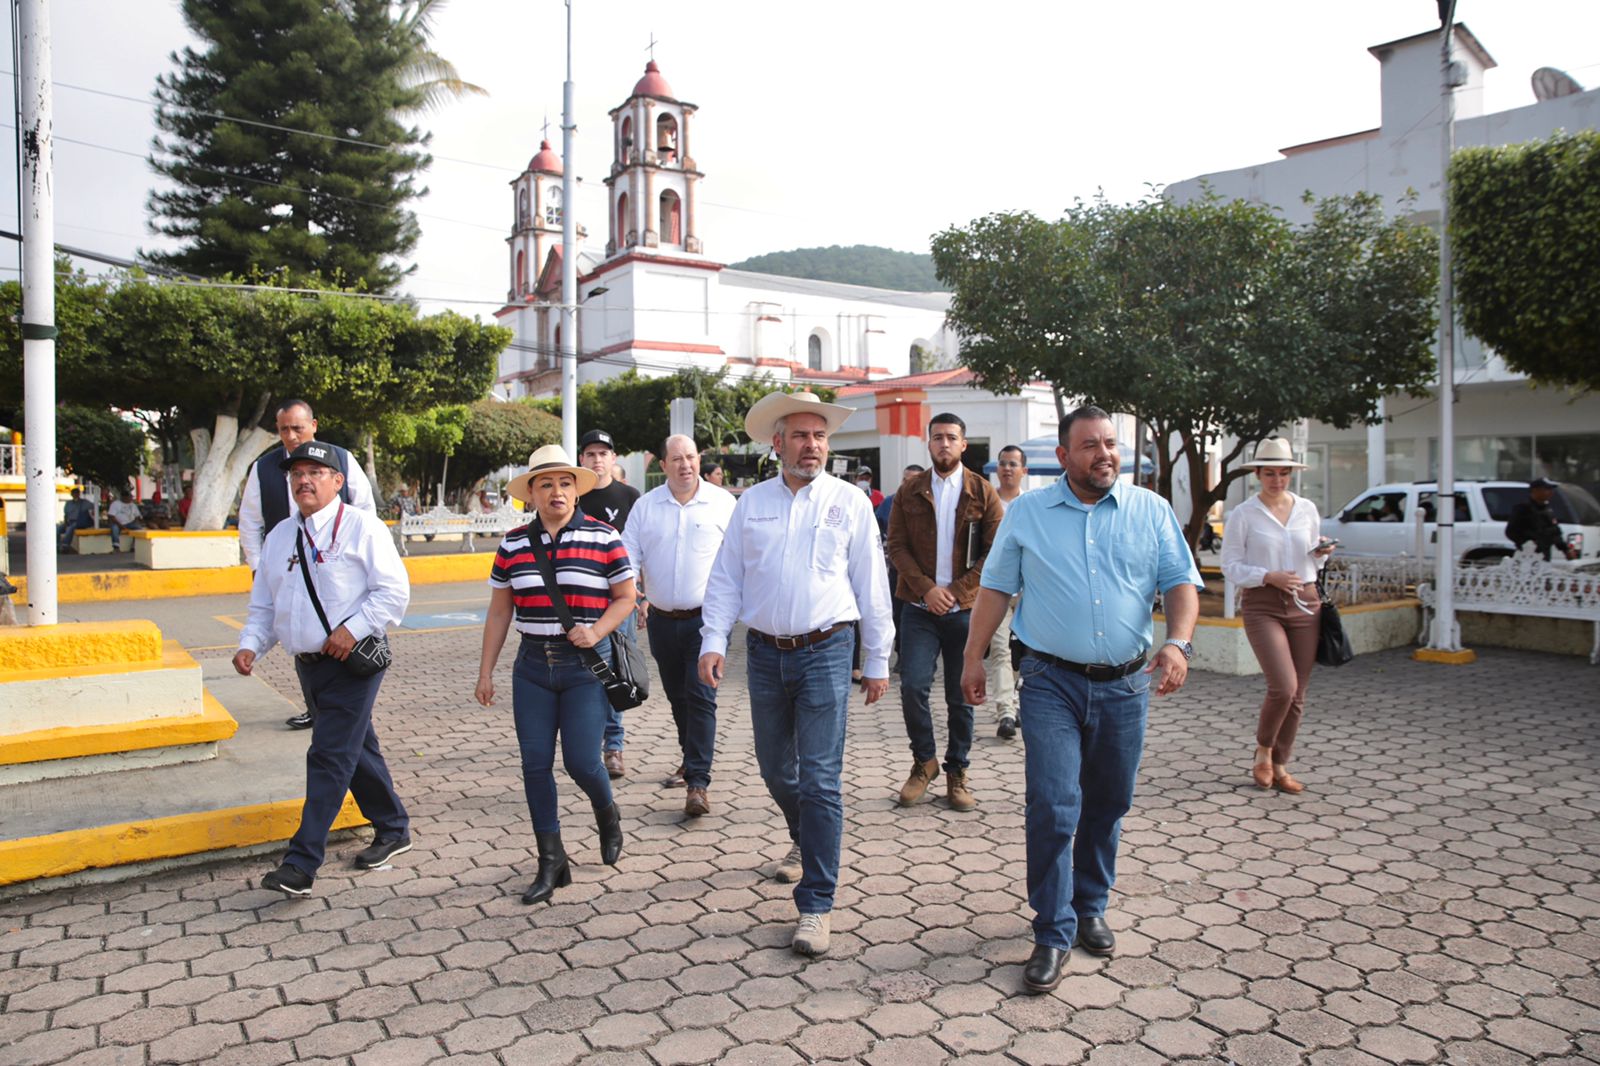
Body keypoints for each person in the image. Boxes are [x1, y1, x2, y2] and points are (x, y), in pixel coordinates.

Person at [960, 405, 1202, 995]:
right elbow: (995, 589)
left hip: (1125, 684)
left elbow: (1180, 583)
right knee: (1052, 803)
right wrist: (973, 657)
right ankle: (1052, 929)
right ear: (1064, 456)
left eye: (1110, 443)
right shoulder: (1030, 514)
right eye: (1090, 445)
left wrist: (1178, 644)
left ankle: (1091, 903)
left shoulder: (1151, 510)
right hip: (1049, 681)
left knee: (1109, 802)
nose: (1105, 454)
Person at [699, 390, 893, 958]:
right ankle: (805, 836)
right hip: (763, 654)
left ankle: (816, 905)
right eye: (802, 436)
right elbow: (727, 579)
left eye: (820, 436)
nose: (813, 446)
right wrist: (713, 640)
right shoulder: (751, 504)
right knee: (775, 769)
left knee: (820, 780)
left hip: (828, 650)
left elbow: (871, 583)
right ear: (777, 443)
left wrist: (877, 657)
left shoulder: (850, 502)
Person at [233, 441, 412, 898]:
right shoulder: (278, 538)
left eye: (316, 472)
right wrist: (250, 646)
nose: (304, 480)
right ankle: (393, 828)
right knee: (356, 749)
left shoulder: (361, 528)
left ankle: (301, 863)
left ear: (337, 481)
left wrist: (352, 628)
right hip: (308, 667)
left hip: (354, 664)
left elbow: (393, 593)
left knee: (330, 755)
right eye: (297, 474)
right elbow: (265, 606)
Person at [476, 445, 638, 905]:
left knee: (583, 762)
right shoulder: (511, 544)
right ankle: (551, 860)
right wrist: (485, 672)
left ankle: (607, 814)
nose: (557, 492)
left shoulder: (605, 537)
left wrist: (597, 630)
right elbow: (499, 612)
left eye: (565, 483)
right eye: (545, 484)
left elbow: (626, 597)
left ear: (576, 489)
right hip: (531, 668)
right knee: (534, 766)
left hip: (584, 668)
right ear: (531, 494)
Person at [886, 414, 1004, 812]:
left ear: (963, 444)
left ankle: (958, 772)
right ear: (929, 443)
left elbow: (996, 552)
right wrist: (927, 590)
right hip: (919, 608)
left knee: (961, 695)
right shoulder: (910, 491)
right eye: (937, 438)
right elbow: (896, 546)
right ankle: (924, 762)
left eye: (951, 438)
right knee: (913, 686)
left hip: (965, 611)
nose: (944, 444)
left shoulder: (983, 492)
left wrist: (954, 591)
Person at [239, 400, 376, 729]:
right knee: (303, 635)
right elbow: (249, 522)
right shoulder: (264, 468)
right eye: (284, 429)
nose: (291, 435)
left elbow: (366, 507)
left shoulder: (340, 459)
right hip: (287, 564)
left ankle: (331, 715)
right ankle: (317, 708)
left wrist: (362, 552)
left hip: (333, 566)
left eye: (297, 428)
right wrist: (261, 570)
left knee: (335, 739)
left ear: (314, 425)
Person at [620, 434, 736, 815]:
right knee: (677, 696)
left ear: (698, 460)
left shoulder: (723, 503)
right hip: (662, 620)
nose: (685, 465)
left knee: (701, 696)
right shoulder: (645, 506)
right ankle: (690, 759)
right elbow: (628, 554)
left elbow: (741, 558)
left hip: (708, 620)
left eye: (691, 457)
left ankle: (698, 783)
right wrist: (633, 591)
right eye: (676, 459)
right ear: (663, 465)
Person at [1221, 437, 1336, 796]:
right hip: (1263, 603)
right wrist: (1267, 576)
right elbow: (1230, 565)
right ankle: (1263, 750)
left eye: (1283, 473)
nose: (1277, 480)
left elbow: (1313, 558)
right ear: (1256, 474)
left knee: (1298, 693)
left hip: (1306, 601)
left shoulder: (1306, 508)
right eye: (1269, 473)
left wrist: (1323, 552)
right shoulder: (1243, 514)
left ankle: (1282, 763)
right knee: (1282, 686)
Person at [577, 428, 642, 777]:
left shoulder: (631, 496)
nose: (597, 460)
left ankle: (613, 745)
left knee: (618, 671)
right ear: (582, 460)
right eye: (590, 454)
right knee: (585, 674)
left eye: (603, 453)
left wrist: (641, 596)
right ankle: (586, 742)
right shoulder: (573, 497)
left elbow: (641, 549)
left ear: (613, 459)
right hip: (581, 604)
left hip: (622, 600)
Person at [989, 445, 1027, 739]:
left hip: (1031, 590)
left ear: (1023, 470)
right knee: (1000, 650)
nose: (1007, 468)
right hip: (996, 590)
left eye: (1013, 463)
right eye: (1003, 463)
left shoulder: (1034, 505)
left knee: (1027, 653)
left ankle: (1024, 704)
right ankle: (1006, 712)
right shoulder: (987, 503)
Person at [876, 465, 924, 667]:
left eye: (913, 479)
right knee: (897, 614)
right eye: (905, 479)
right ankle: (901, 653)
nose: (908, 483)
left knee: (919, 618)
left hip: (923, 574)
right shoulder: (890, 502)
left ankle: (920, 657)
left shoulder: (931, 502)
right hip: (897, 571)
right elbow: (877, 532)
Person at [1506, 477, 1578, 561]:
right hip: (1528, 556)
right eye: (1547, 489)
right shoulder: (1523, 509)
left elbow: (1555, 533)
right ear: (1535, 490)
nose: (1551, 492)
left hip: (1544, 555)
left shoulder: (1547, 510)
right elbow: (1511, 532)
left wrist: (1565, 549)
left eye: (1551, 489)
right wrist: (1529, 542)